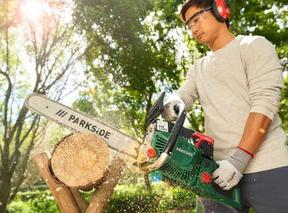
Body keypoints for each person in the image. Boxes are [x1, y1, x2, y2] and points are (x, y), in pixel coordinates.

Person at [162, 0, 288, 212]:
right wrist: (173, 103)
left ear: (220, 10)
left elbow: (265, 103)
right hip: (219, 174)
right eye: (188, 25)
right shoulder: (198, 68)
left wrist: (239, 160)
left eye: (197, 19)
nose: (193, 28)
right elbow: (184, 95)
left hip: (268, 167)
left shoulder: (253, 46)